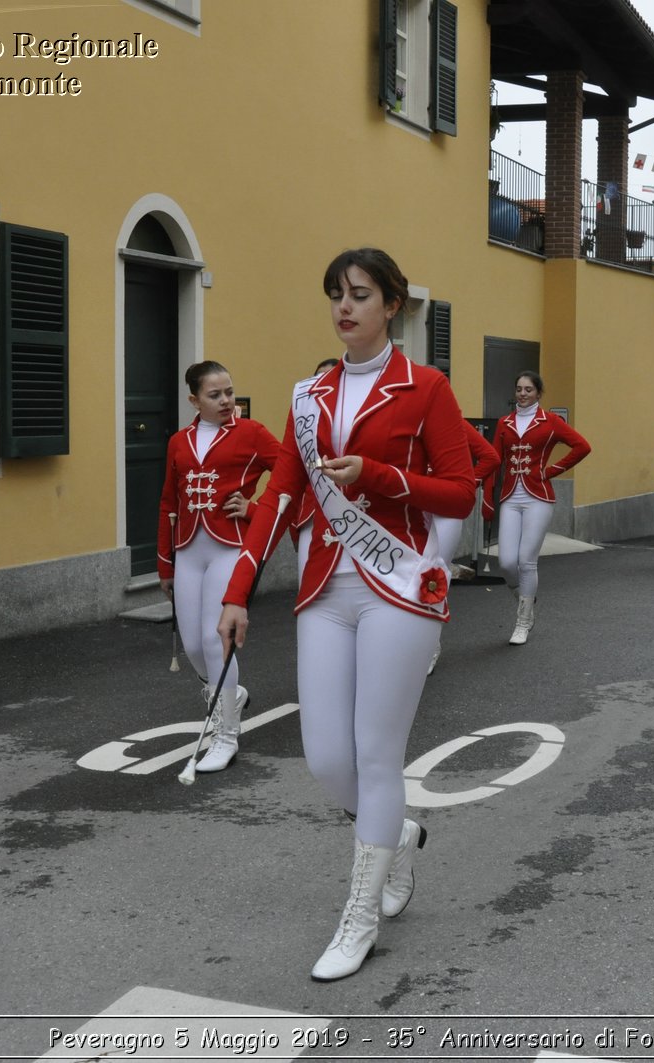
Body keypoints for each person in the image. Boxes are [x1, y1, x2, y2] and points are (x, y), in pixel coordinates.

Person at [218, 248, 475, 982]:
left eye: (360, 294)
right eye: (336, 293)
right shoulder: (309, 394)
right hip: (326, 583)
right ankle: (398, 832)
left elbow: (460, 491)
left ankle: (361, 914)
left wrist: (384, 476)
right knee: (326, 756)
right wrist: (238, 588)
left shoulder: (426, 389)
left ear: (392, 304)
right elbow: (279, 498)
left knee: (374, 752)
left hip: (397, 581)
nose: (344, 306)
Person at [157, 360, 280, 774]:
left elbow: (290, 478)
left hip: (230, 547)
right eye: (215, 395)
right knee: (193, 645)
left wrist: (255, 508)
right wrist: (165, 565)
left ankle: (226, 733)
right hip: (189, 550)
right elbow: (168, 503)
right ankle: (230, 694)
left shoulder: (253, 433)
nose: (227, 400)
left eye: (229, 392)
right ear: (194, 399)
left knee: (216, 642)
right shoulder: (179, 441)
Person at [484, 370, 591, 643]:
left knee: (526, 560)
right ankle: (527, 599)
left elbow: (582, 446)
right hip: (510, 496)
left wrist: (552, 470)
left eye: (528, 389)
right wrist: (486, 496)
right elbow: (494, 460)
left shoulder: (550, 421)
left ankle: (523, 621)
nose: (522, 393)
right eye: (519, 388)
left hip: (538, 497)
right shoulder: (504, 423)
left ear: (538, 393)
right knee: (507, 563)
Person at [426, 420, 500, 674]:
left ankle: (431, 645)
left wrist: (468, 481)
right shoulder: (405, 416)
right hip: (413, 504)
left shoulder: (453, 422)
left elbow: (490, 457)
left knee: (434, 574)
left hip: (446, 506)